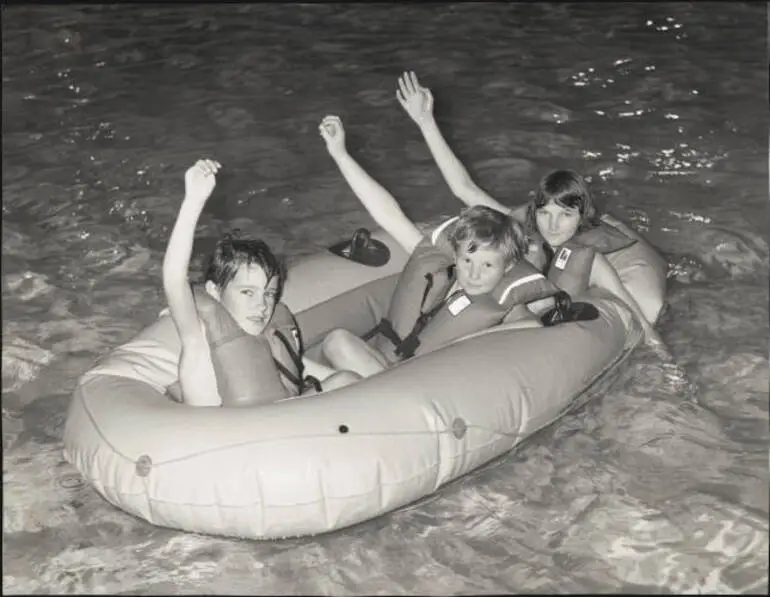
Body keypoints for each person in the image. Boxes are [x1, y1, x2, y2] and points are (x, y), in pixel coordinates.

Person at [394, 71, 666, 348]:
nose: (552, 225)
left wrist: (659, 351)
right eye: (545, 213)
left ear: (580, 218)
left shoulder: (589, 260)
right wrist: (425, 122)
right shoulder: (518, 231)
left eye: (565, 215)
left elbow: (632, 310)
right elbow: (464, 188)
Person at [81, 159, 358, 409]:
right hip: (228, 448)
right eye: (247, 292)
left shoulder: (267, 335)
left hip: (277, 429)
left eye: (269, 294)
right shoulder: (198, 335)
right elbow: (174, 279)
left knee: (345, 380)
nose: (261, 305)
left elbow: (308, 375)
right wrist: (193, 201)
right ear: (215, 292)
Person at [317, 116, 561, 379]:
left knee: (340, 359)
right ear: (455, 255)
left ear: (508, 266)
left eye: (488, 265)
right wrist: (340, 154)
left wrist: (467, 341)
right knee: (337, 341)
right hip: (388, 369)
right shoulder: (440, 271)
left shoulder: (502, 303)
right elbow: (389, 214)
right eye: (468, 261)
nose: (474, 274)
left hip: (420, 388)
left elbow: (531, 326)